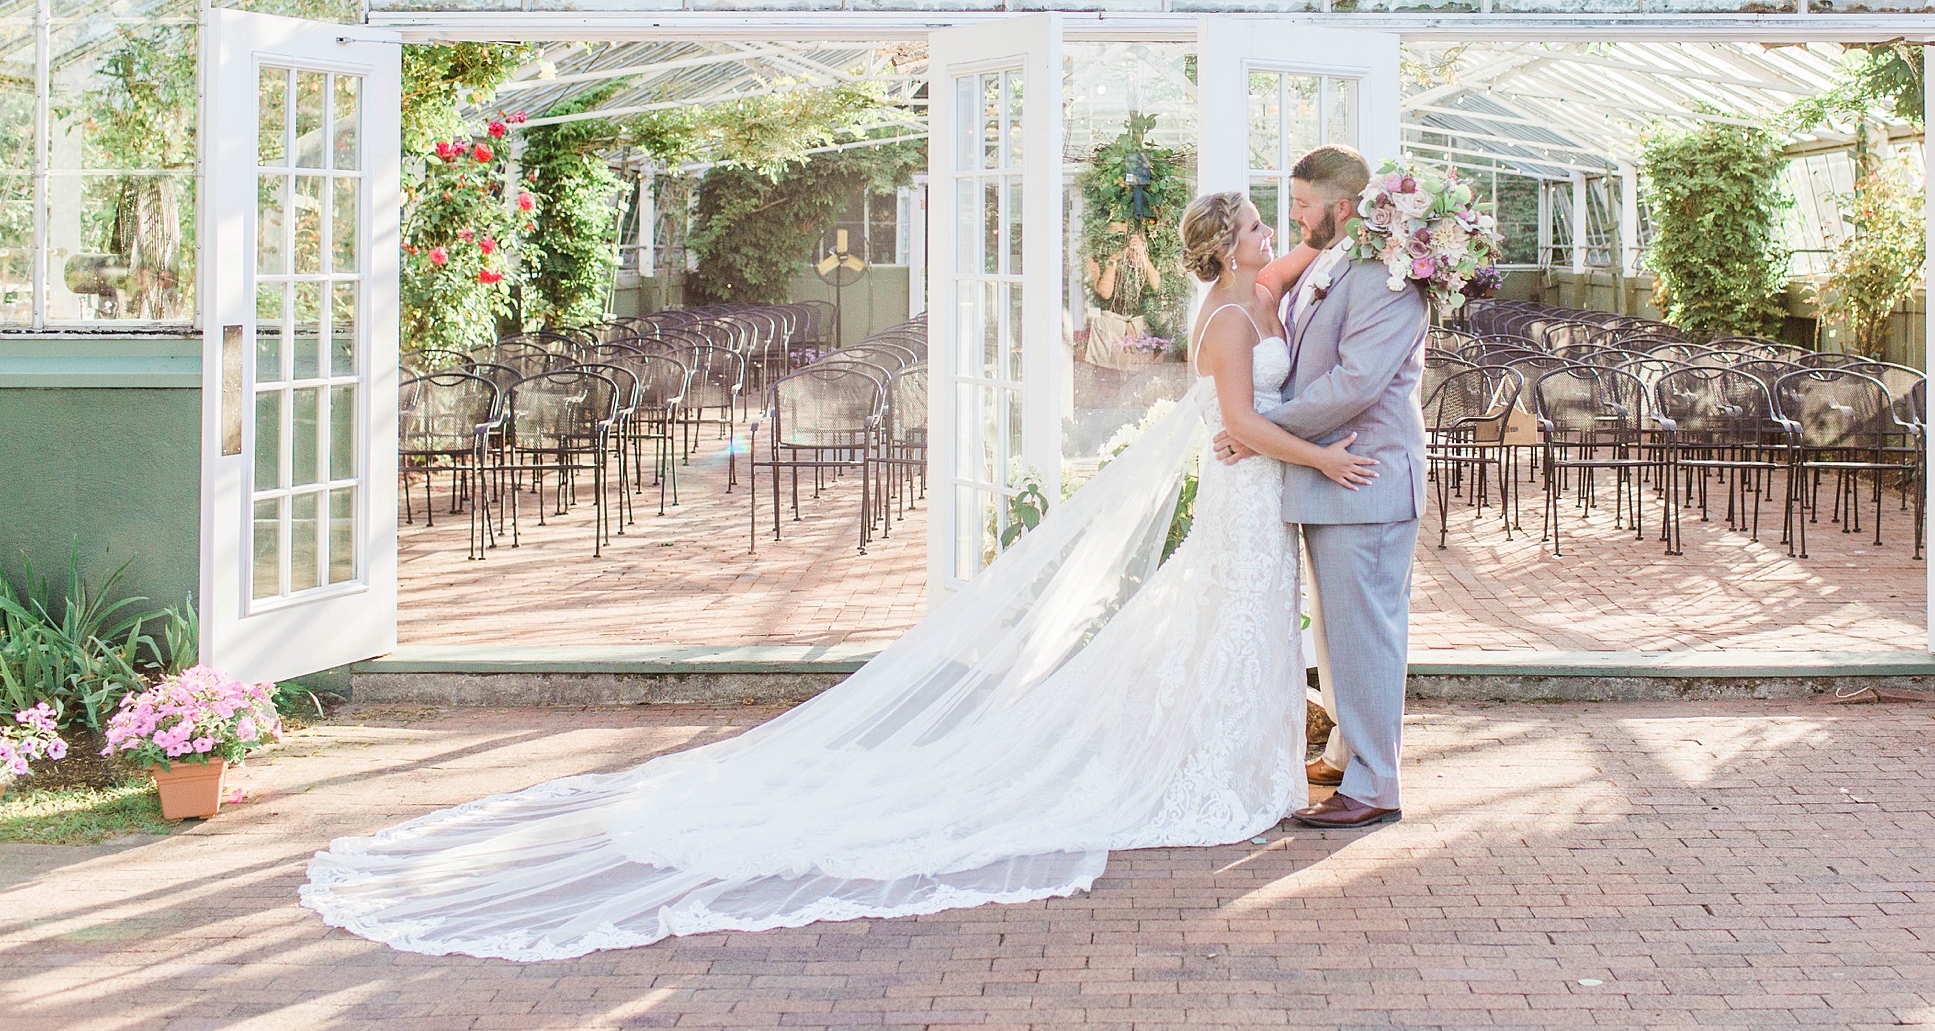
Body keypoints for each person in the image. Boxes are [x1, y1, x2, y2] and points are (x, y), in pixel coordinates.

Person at [302, 192, 1374, 960]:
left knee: (1232, 629)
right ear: (1224, 248)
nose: (1271, 235)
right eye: (1254, 226)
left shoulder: (1263, 287)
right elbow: (1235, 418)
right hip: (1252, 486)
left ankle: (1247, 756)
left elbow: (1315, 266)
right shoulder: (1232, 314)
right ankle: (1238, 767)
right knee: (1232, 622)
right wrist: (1322, 453)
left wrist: (1365, 236)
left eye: (1271, 226)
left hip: (1255, 498)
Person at [1222, 144, 1429, 828]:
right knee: (1338, 635)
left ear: (1341, 207)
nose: (1295, 216)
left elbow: (1355, 383)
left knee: (1365, 633)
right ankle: (1349, 752)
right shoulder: (1335, 263)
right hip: (1333, 482)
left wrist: (1257, 427)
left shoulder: (1384, 277)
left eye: (1304, 205)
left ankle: (1375, 786)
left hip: (1364, 477)